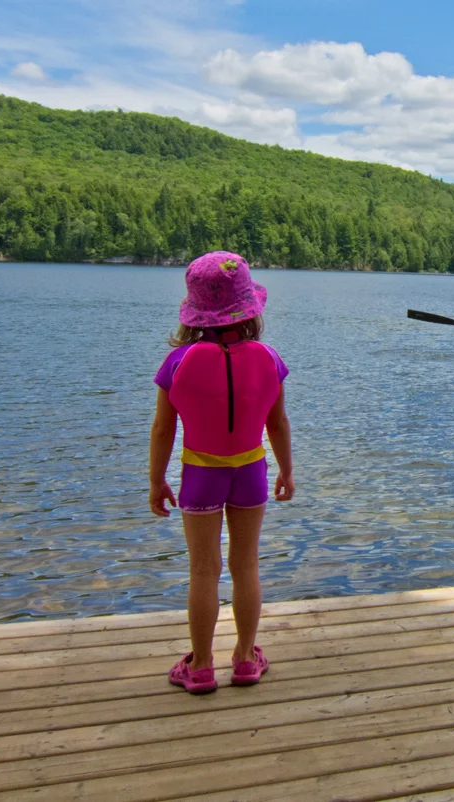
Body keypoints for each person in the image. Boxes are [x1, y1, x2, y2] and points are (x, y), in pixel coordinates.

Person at [148, 251, 294, 694]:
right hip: (249, 470)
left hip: (200, 474)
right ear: (249, 309)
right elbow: (278, 423)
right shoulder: (268, 358)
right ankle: (246, 659)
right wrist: (286, 470)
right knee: (245, 564)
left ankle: (202, 667)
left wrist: (156, 480)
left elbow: (162, 428)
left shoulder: (179, 363)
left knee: (203, 570)